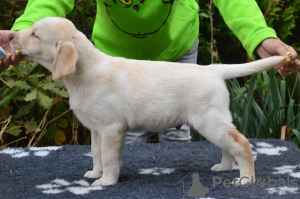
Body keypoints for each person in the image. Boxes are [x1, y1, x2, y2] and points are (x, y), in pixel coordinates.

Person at [0, 0, 299, 144]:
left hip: (176, 53)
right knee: (119, 138)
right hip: (110, 64)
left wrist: (260, 36)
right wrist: (23, 33)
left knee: (179, 136)